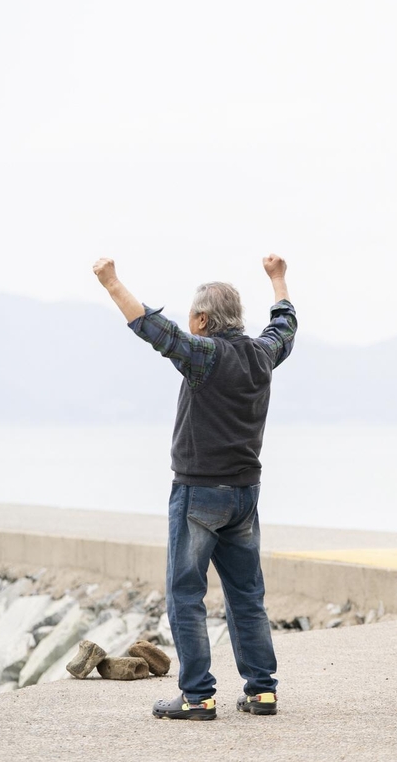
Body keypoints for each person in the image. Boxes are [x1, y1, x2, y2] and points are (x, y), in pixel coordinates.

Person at [92, 255, 296, 721]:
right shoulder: (261, 355)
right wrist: (278, 279)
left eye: (191, 316)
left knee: (186, 595)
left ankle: (198, 696)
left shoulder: (205, 355)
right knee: (247, 595)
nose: (188, 322)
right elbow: (285, 325)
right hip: (245, 496)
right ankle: (262, 691)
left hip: (200, 494)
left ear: (202, 319)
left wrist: (111, 283)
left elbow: (153, 329)